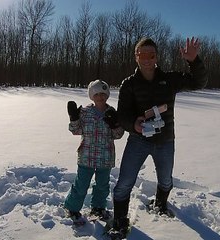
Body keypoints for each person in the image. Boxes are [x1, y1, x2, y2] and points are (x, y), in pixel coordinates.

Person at [110, 37, 208, 236]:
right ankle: (120, 220)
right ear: (136, 57)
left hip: (165, 141)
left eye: (151, 55)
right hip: (138, 140)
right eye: (142, 55)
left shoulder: (169, 79)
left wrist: (194, 61)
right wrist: (134, 125)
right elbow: (123, 114)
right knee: (124, 184)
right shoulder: (128, 84)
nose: (147, 59)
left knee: (165, 180)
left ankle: (160, 205)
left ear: (156, 57)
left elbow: (199, 82)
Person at [64, 79, 124, 224]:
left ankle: (98, 208)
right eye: (96, 94)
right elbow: (75, 130)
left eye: (103, 93)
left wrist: (115, 124)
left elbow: (118, 135)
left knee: (102, 185)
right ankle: (72, 208)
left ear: (107, 95)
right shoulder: (85, 112)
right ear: (92, 96)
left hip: (105, 157)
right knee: (81, 184)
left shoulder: (112, 112)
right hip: (86, 156)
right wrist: (74, 118)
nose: (100, 97)